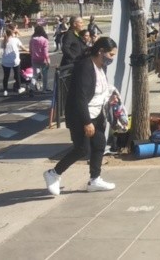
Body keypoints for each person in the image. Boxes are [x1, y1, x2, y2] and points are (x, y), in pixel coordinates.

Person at [43, 37, 119, 196]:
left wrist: (110, 98)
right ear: (101, 52)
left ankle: (95, 179)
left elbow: (99, 89)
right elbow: (80, 97)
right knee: (82, 149)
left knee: (99, 144)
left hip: (97, 113)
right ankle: (53, 173)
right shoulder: (85, 67)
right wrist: (86, 122)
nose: (112, 58)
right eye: (111, 54)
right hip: (80, 115)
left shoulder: (101, 67)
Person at [0, 28, 26, 96]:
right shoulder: (15, 40)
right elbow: (22, 47)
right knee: (17, 74)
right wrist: (28, 50)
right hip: (15, 61)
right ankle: (19, 88)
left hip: (5, 61)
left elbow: (2, 48)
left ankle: (5, 90)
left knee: (6, 76)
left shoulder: (3, 41)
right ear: (12, 33)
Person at [29, 24, 51, 92]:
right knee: (45, 75)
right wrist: (48, 60)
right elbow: (45, 52)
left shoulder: (32, 39)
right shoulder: (44, 40)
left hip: (34, 59)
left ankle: (32, 87)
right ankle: (45, 89)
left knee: (34, 75)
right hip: (43, 59)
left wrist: (32, 55)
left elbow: (30, 50)